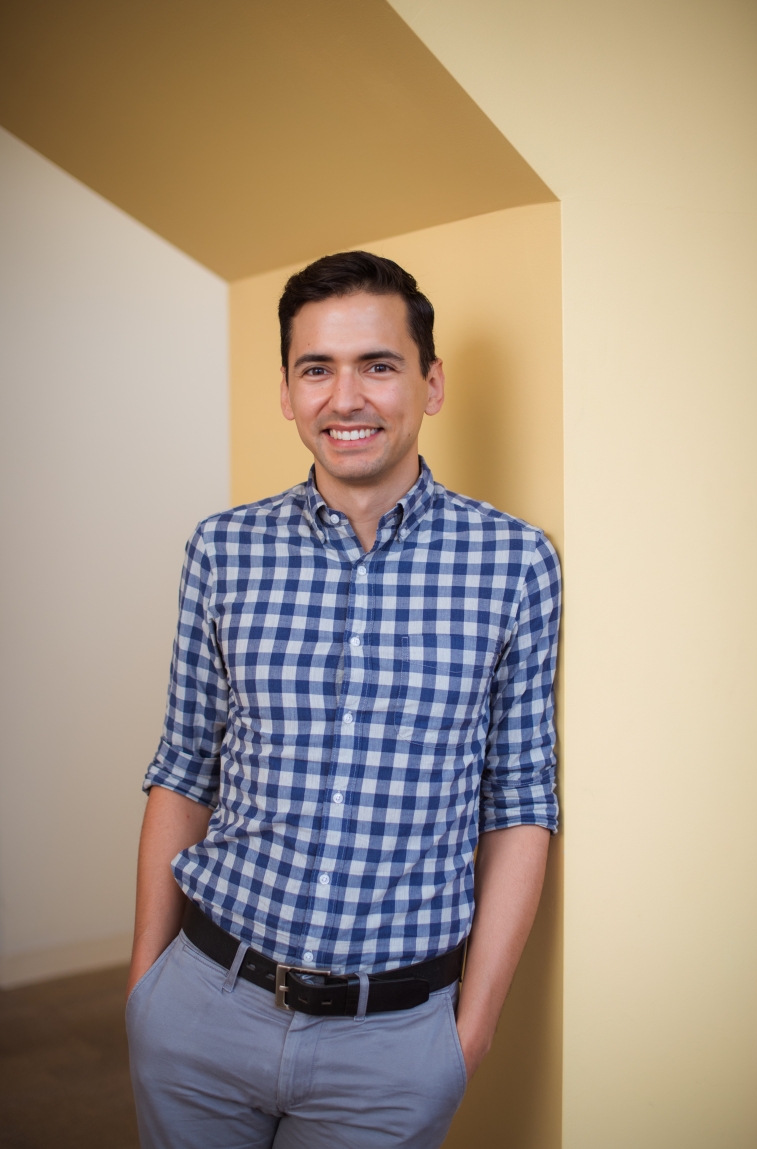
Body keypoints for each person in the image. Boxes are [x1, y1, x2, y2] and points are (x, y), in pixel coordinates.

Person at [125, 251, 560, 1149]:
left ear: (431, 383)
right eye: (315, 368)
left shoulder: (515, 564)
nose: (344, 397)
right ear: (287, 392)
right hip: (203, 1009)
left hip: (395, 1044)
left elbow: (520, 805)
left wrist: (466, 1034)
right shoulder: (223, 550)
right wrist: (144, 989)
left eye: (379, 364)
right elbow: (181, 769)